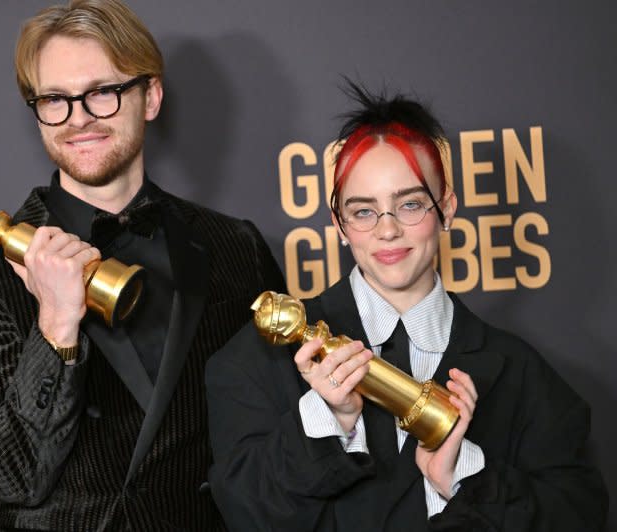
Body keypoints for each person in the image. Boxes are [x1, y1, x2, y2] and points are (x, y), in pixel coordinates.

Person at [0, 1, 284, 530]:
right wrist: (55, 326)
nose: (78, 118)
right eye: (55, 99)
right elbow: (14, 478)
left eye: (102, 92)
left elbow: (277, 432)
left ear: (151, 97)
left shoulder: (234, 245)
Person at [205, 83, 607, 531]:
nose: (388, 230)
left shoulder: (523, 376)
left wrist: (461, 475)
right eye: (363, 212)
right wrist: (326, 419)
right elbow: (244, 513)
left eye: (410, 204)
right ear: (339, 224)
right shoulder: (254, 362)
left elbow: (578, 515)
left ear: (447, 209)